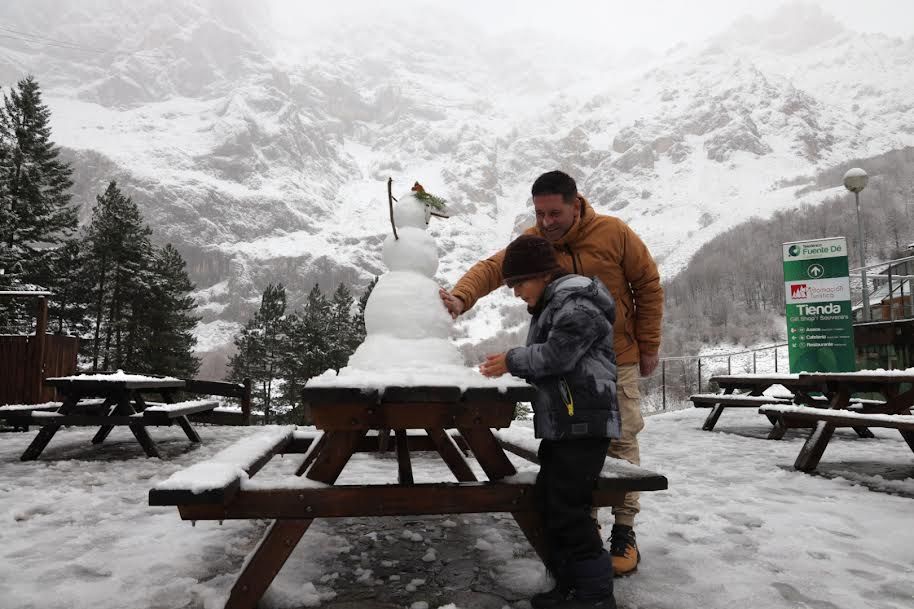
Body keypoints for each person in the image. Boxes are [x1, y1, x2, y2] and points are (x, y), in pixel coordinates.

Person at [441, 170, 663, 575]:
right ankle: (587, 530)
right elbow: (494, 267)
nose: (546, 222)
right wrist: (460, 296)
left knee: (622, 443)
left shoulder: (614, 233)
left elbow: (647, 285)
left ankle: (624, 530)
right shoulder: (537, 243)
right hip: (568, 372)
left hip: (620, 356)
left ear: (575, 204)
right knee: (577, 451)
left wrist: (649, 345)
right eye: (539, 213)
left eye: (554, 212)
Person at [480, 233, 618, 609]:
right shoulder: (555, 304)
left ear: (542, 275)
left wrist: (512, 360)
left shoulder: (577, 303)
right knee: (551, 502)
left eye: (518, 283)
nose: (515, 293)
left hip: (585, 421)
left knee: (568, 507)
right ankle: (569, 586)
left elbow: (558, 356)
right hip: (566, 421)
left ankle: (595, 596)